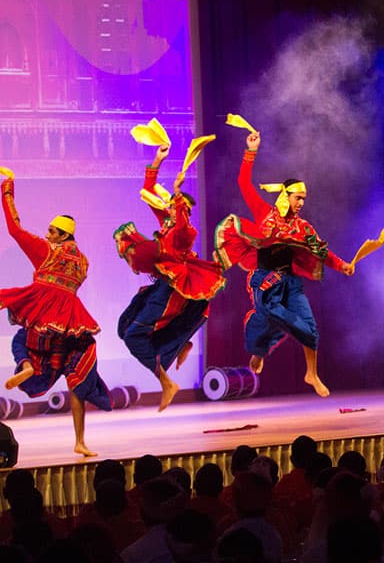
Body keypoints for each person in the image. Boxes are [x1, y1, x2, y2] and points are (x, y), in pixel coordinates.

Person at [215, 131, 353, 397]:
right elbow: (244, 183)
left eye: (304, 199)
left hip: (290, 282)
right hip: (265, 279)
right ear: (285, 195)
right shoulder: (265, 214)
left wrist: (343, 265)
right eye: (297, 198)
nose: (301, 203)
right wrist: (250, 151)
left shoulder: (303, 228)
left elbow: (321, 251)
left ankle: (311, 373)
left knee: (309, 328)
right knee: (270, 319)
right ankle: (259, 349)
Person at [1, 168, 111, 457]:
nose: (46, 234)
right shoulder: (83, 261)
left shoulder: (46, 250)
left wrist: (7, 186)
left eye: (52, 231)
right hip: (73, 323)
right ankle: (80, 441)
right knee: (78, 378)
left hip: (45, 317)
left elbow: (14, 228)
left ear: (64, 235)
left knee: (21, 338)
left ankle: (26, 365)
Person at [114, 145, 226, 411]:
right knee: (124, 327)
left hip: (173, 286)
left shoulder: (185, 230)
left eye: (180, 207)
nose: (173, 209)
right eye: (175, 206)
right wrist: (157, 160)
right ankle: (180, 344)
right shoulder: (167, 221)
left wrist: (178, 192)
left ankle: (166, 382)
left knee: (134, 337)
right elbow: (148, 192)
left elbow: (181, 223)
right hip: (162, 285)